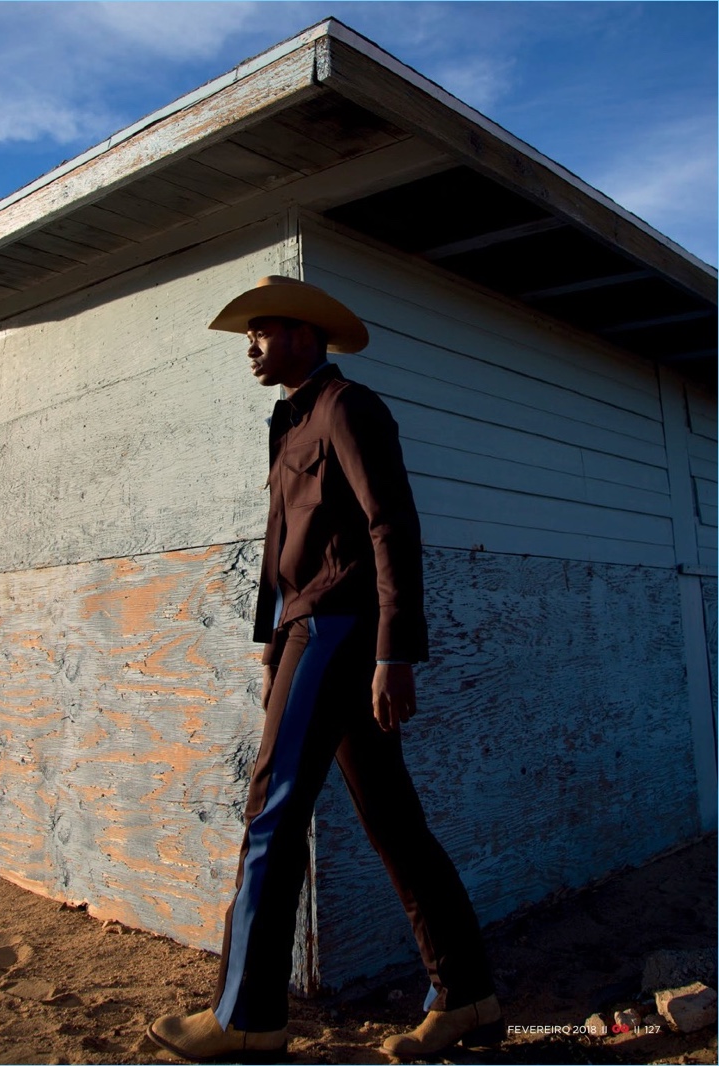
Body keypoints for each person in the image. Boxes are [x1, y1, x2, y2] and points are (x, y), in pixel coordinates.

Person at [147, 275, 503, 1061]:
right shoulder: (292, 421)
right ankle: (468, 995)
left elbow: (390, 524)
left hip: (342, 632)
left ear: (306, 335)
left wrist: (393, 652)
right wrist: (273, 644)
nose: (250, 345)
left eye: (261, 330)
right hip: (307, 631)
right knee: (393, 821)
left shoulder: (348, 407)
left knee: (272, 808)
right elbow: (287, 549)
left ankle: (248, 1015)